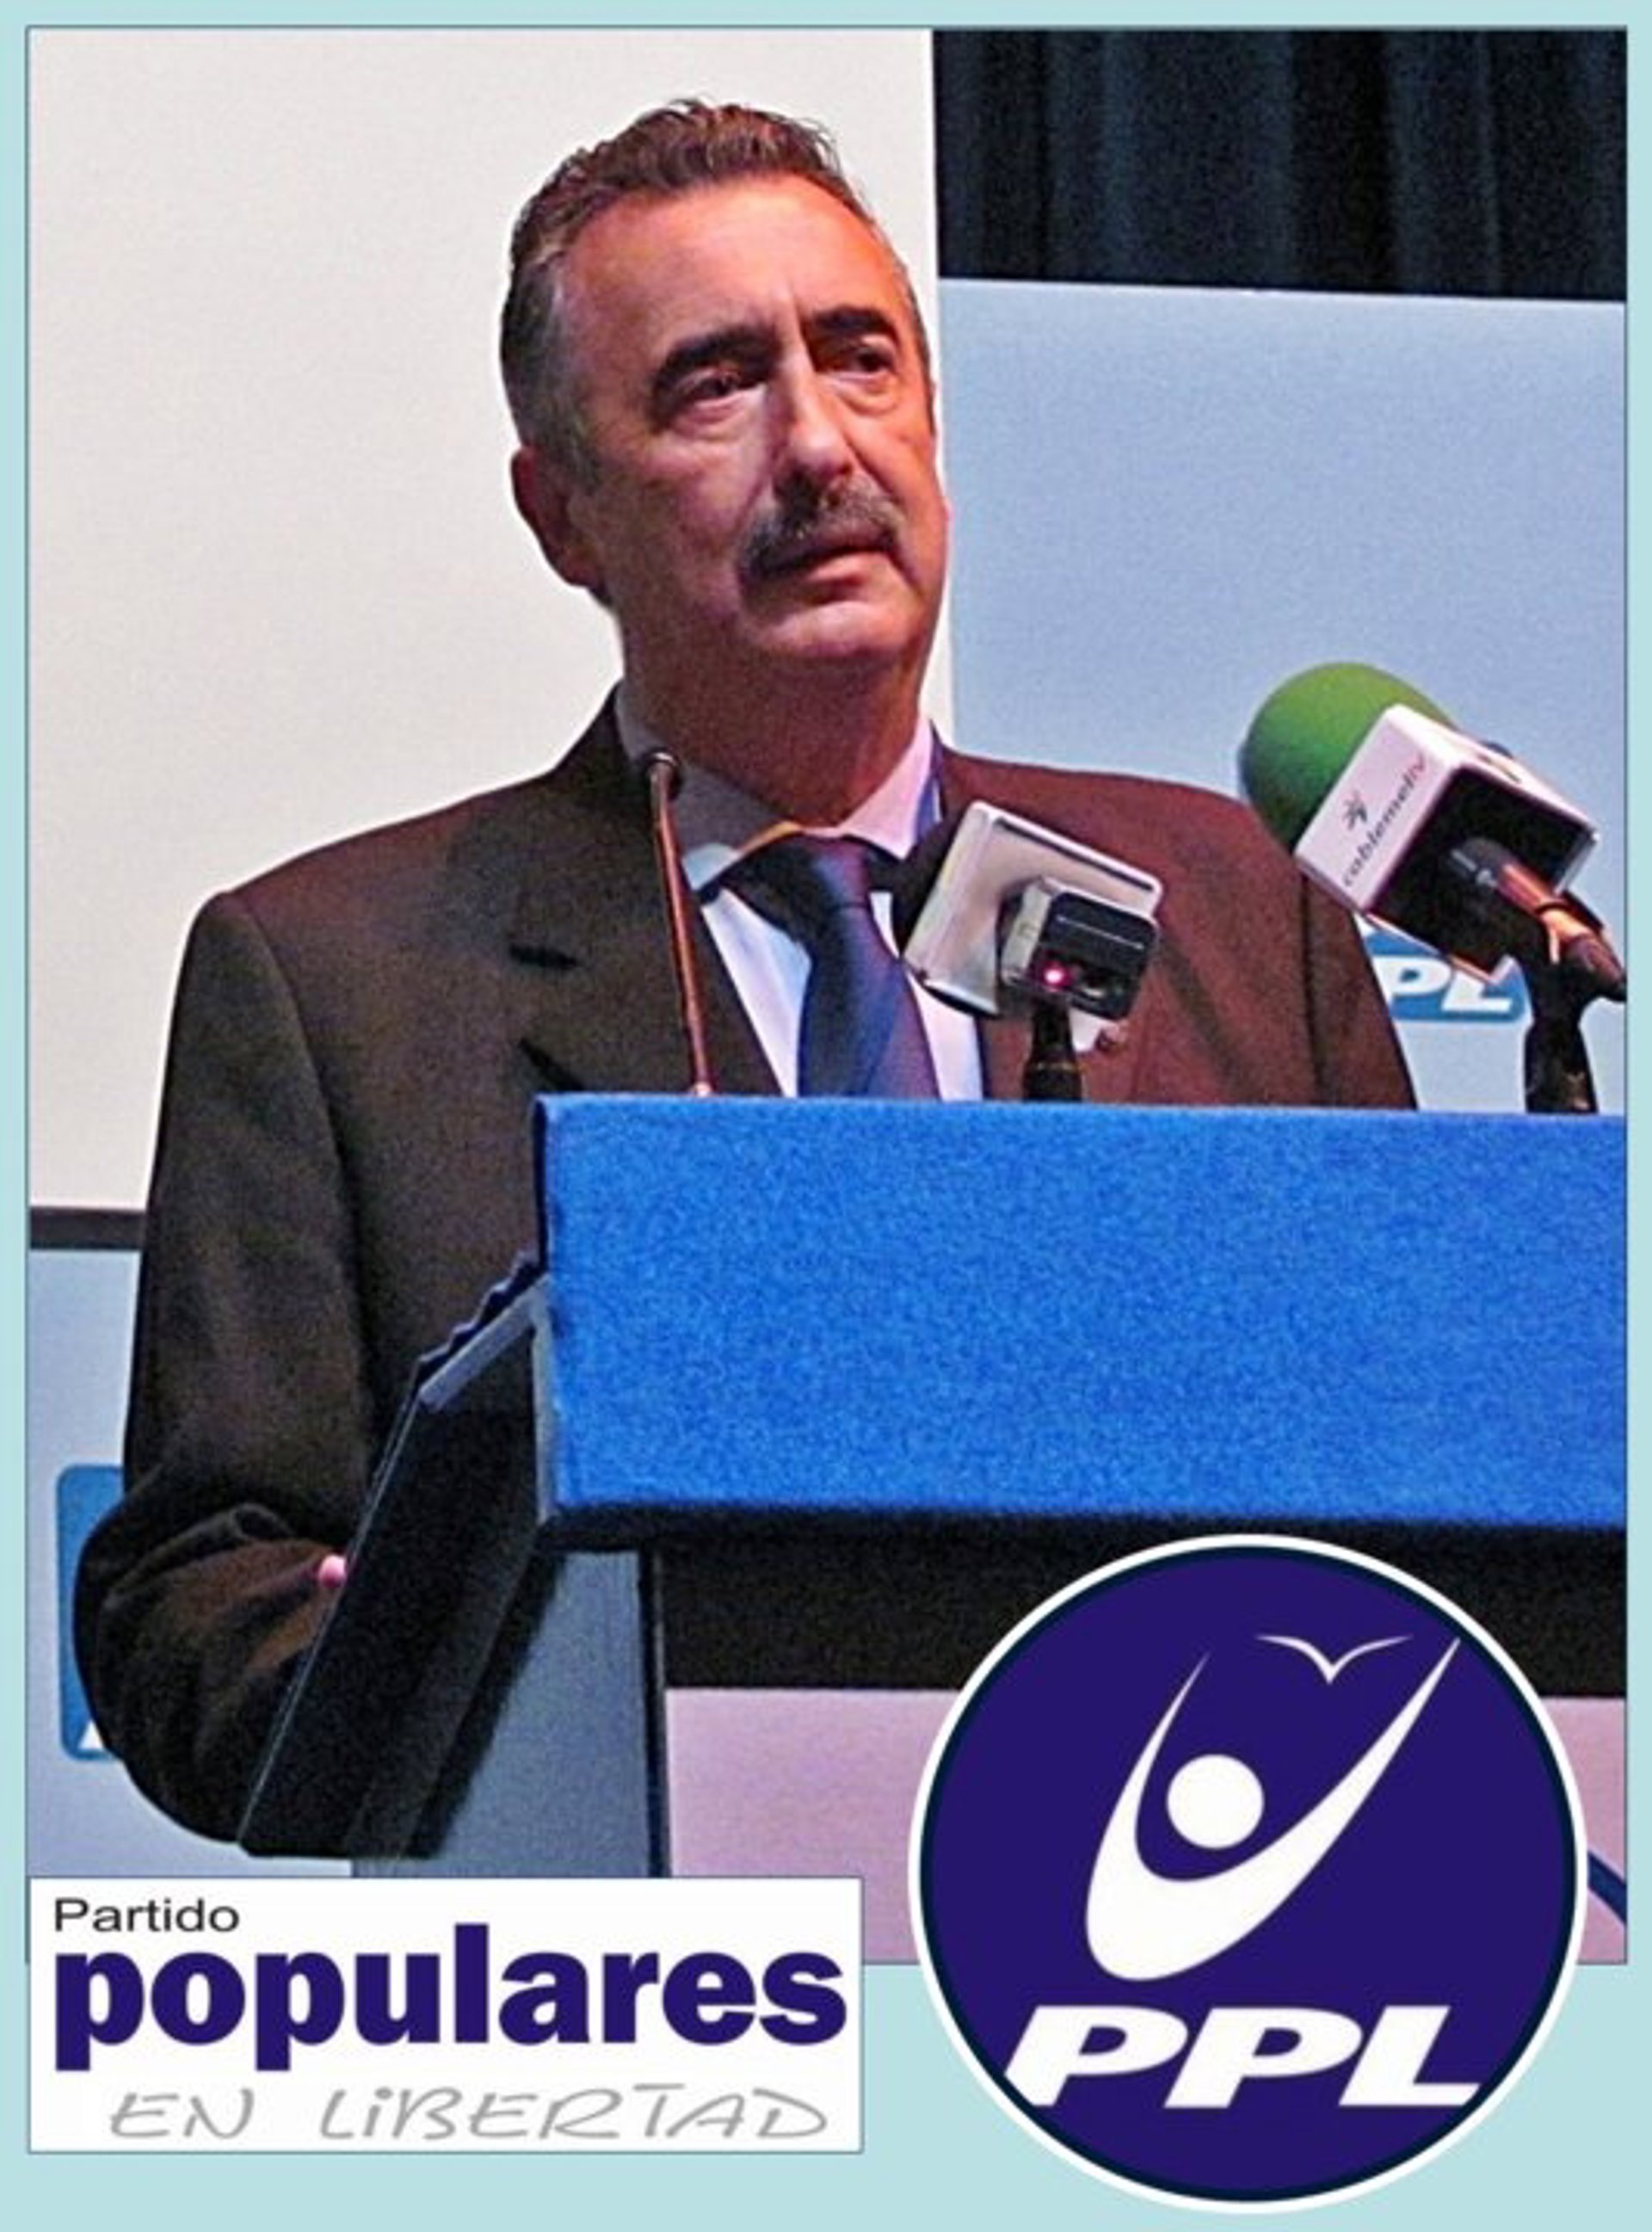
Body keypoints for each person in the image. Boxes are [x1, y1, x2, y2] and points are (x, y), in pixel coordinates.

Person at [74, 100, 1413, 1841]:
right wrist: (464, 1672)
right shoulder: (337, 981)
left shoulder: (1237, 911)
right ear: (563, 514)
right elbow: (195, 1600)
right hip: (674, 1952)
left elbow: (1419, 1449)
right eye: (715, 385)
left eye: (860, 360)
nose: (819, 447)